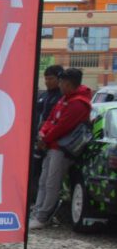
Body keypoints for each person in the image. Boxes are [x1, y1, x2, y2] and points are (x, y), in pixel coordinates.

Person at [31, 67, 92, 229]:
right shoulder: (64, 98)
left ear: (68, 84)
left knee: (52, 183)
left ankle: (43, 217)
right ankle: (37, 212)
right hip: (51, 145)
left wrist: (45, 138)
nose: (59, 85)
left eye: (61, 82)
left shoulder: (78, 103)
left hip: (62, 149)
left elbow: (62, 127)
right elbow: (50, 119)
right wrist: (42, 135)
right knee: (44, 180)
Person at [29, 65, 64, 204]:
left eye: (51, 78)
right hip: (36, 140)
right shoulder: (44, 95)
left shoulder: (61, 97)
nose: (47, 82)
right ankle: (32, 201)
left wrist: (44, 137)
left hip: (49, 142)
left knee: (43, 176)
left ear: (59, 79)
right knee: (33, 171)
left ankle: (39, 203)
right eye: (46, 78)